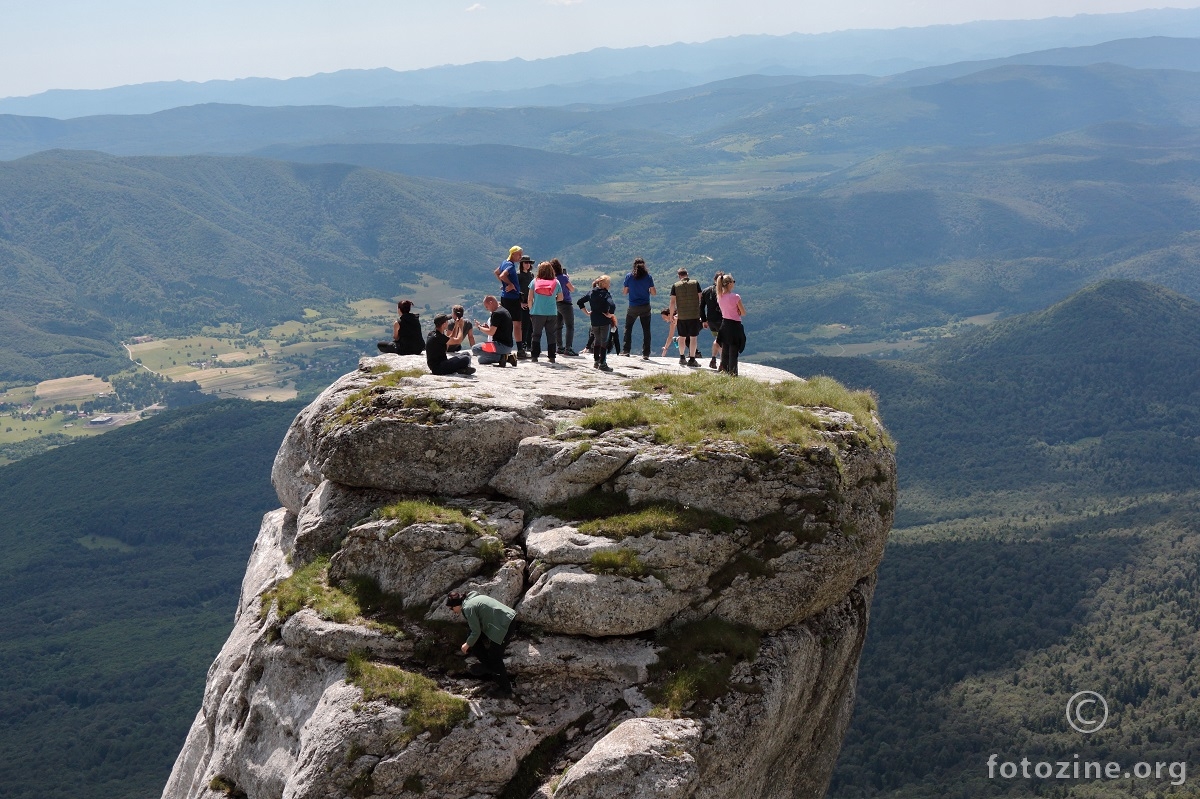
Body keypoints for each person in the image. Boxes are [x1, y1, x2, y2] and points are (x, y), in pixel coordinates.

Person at [446, 590, 517, 697]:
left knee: (495, 657)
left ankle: (505, 690)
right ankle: (488, 666)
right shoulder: (471, 599)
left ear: (456, 605)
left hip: (504, 625)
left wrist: (466, 645)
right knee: (471, 637)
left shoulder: (468, 608)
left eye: (451, 608)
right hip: (506, 619)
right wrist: (470, 641)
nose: (452, 610)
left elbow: (476, 632)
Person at [577, 274, 617, 371]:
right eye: (608, 284)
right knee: (604, 342)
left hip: (594, 320)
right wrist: (610, 314)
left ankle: (596, 361)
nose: (609, 286)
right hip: (604, 321)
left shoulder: (591, 292)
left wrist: (586, 312)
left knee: (597, 340)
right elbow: (612, 305)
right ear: (604, 284)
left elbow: (579, 302)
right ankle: (603, 364)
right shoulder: (605, 294)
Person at [526, 261, 562, 363]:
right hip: (552, 312)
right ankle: (551, 356)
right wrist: (552, 300)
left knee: (536, 334)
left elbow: (529, 299)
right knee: (551, 334)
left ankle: (535, 356)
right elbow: (560, 298)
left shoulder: (534, 282)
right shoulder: (556, 282)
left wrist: (531, 310)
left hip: (537, 312)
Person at [621, 258, 656, 360]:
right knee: (646, 330)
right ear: (644, 265)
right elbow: (653, 293)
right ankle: (646, 353)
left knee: (628, 328)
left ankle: (626, 350)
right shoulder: (648, 277)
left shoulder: (629, 276)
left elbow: (624, 292)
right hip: (645, 306)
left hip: (633, 306)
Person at [495, 246, 525, 358]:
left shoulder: (504, 262)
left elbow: (496, 272)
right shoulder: (511, 265)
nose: (520, 257)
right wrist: (510, 284)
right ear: (513, 254)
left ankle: (504, 347)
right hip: (512, 299)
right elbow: (502, 275)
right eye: (519, 255)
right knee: (517, 323)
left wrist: (504, 285)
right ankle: (520, 350)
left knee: (505, 322)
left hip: (505, 297)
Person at [669, 267, 703, 367]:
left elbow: (672, 302)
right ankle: (692, 359)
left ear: (679, 276)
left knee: (682, 337)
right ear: (687, 274)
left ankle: (682, 358)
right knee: (693, 338)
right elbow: (700, 299)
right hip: (694, 315)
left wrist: (671, 316)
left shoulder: (675, 286)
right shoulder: (695, 283)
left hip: (682, 316)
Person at [472, 295, 518, 367]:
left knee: (475, 349)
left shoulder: (496, 313)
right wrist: (487, 328)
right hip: (508, 346)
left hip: (499, 345)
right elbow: (499, 330)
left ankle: (503, 357)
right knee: (481, 359)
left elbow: (491, 332)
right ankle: (507, 357)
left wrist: (479, 327)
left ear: (491, 302)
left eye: (487, 307)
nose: (487, 309)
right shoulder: (504, 310)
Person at [716, 273, 747, 376]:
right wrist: (738, 310)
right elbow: (743, 313)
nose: (734, 283)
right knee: (733, 352)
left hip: (724, 325)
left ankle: (724, 371)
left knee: (725, 350)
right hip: (735, 325)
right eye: (733, 281)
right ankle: (733, 374)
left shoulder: (719, 296)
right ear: (729, 284)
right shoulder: (736, 297)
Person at [552, 259, 578, 356]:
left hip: (556, 303)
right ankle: (568, 348)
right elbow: (572, 289)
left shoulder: (553, 278)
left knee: (558, 326)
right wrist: (568, 278)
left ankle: (560, 347)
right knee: (570, 326)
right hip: (566, 303)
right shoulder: (563, 277)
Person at [699, 271, 724, 369]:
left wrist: (704, 320)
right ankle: (722, 363)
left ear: (714, 279)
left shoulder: (706, 291)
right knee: (723, 341)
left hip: (711, 320)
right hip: (722, 320)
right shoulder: (723, 290)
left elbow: (701, 307)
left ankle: (713, 359)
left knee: (717, 339)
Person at [517, 255, 535, 357]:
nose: (528, 264)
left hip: (531, 303)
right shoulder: (518, 275)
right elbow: (516, 290)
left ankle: (529, 344)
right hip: (523, 303)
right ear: (521, 264)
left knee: (531, 325)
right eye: (526, 263)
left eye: (529, 263)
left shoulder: (531, 275)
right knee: (524, 325)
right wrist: (520, 302)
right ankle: (523, 344)